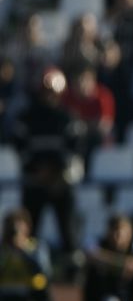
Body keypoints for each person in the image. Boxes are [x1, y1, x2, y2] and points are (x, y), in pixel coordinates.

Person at [11, 67, 84, 278]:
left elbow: (75, 149)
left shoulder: (68, 118)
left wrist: (56, 172)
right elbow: (21, 149)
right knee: (30, 231)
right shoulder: (26, 118)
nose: (48, 96)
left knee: (68, 231)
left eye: (52, 91)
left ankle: (72, 273)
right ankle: (27, 272)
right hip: (34, 182)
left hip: (61, 183)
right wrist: (38, 170)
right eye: (45, 91)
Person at [0, 208, 53, 301]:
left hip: (29, 292)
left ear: (27, 227)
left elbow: (44, 272)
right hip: (5, 292)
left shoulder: (36, 246)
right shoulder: (3, 249)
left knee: (42, 287)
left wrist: (24, 251)